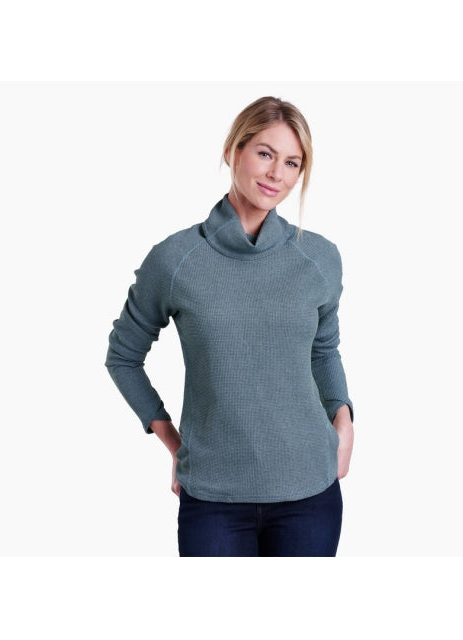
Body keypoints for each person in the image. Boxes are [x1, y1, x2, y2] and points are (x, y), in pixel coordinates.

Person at [105, 96, 354, 556]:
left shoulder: (318, 257)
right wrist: (174, 442)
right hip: (213, 500)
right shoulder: (175, 260)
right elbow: (123, 357)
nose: (276, 173)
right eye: (265, 153)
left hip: (310, 494)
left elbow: (323, 351)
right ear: (232, 150)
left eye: (292, 162)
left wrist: (344, 418)